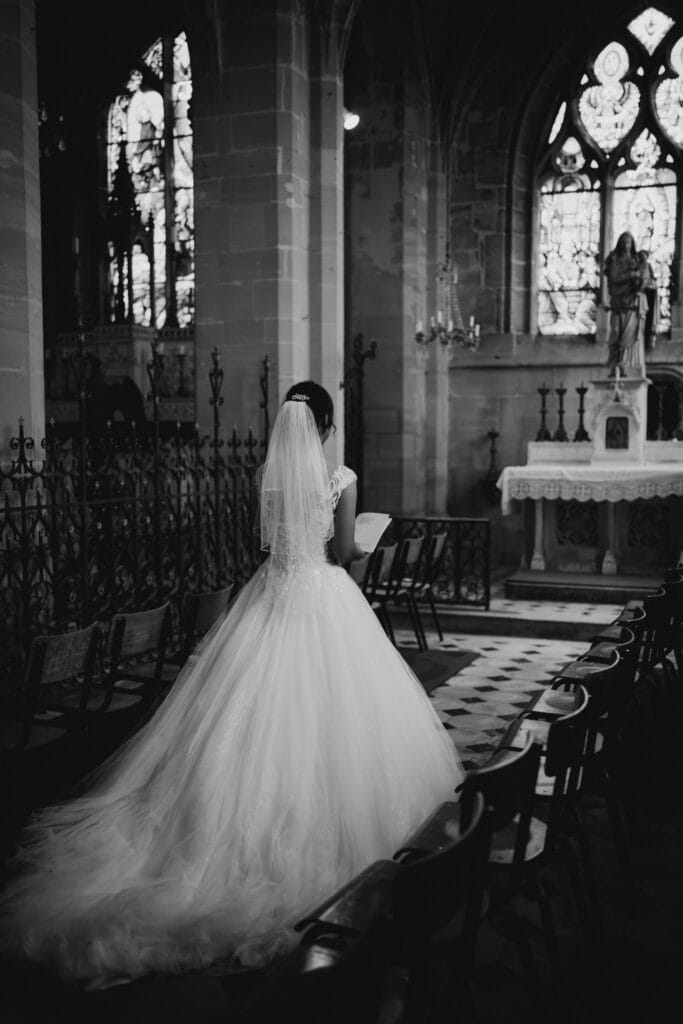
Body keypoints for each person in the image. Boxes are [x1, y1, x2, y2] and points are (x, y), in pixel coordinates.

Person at [0, 380, 463, 991]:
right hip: (325, 597)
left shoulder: (267, 477)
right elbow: (346, 552)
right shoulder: (341, 479)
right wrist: (361, 542)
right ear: (324, 427)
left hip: (271, 596)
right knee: (340, 720)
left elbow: (267, 542)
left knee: (244, 713)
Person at [604, 231, 649, 377]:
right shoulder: (614, 259)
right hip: (617, 303)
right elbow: (614, 277)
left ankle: (624, 365)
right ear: (619, 243)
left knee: (628, 335)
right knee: (615, 332)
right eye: (623, 242)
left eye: (628, 242)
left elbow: (644, 278)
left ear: (632, 244)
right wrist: (631, 275)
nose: (626, 245)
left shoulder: (637, 260)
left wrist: (640, 281)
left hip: (632, 303)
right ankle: (613, 365)